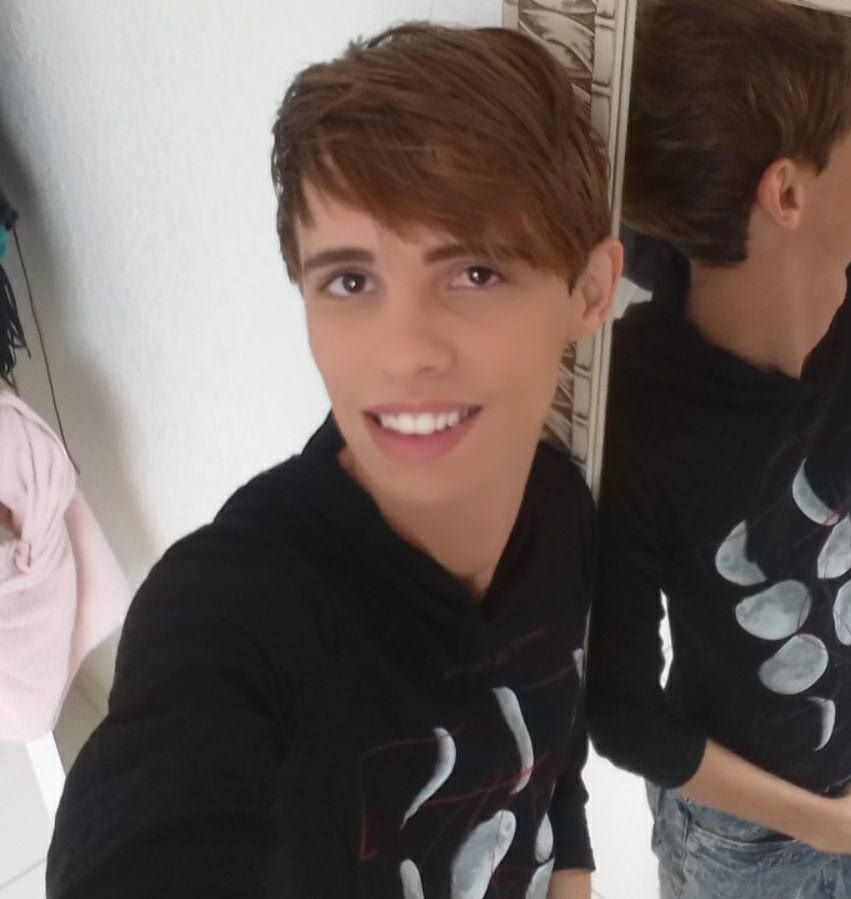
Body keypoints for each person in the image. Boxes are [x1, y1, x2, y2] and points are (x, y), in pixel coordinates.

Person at [46, 22, 623, 899]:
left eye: (474, 272)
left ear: (590, 290)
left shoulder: (564, 514)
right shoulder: (234, 604)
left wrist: (571, 872)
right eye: (351, 281)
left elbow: (550, 750)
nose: (404, 352)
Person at [586, 1, 851, 896]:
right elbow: (623, 711)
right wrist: (824, 823)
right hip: (748, 840)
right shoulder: (635, 415)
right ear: (787, 192)